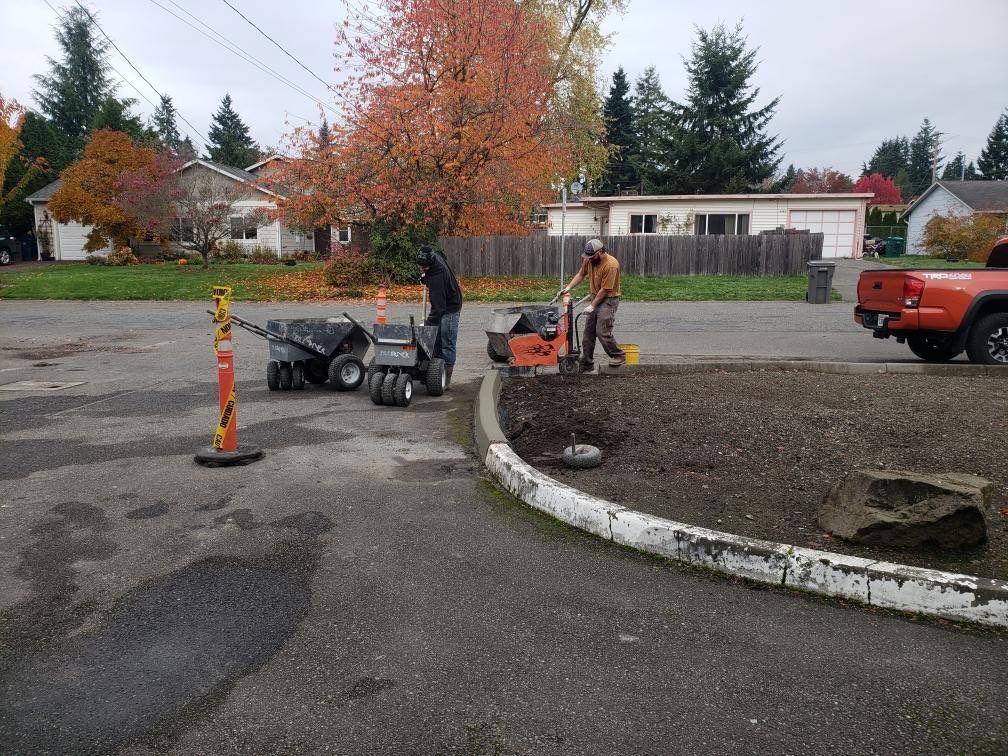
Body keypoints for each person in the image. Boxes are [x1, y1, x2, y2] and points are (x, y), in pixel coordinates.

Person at [560, 238, 625, 370]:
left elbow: (606, 290)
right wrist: (569, 287)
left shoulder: (611, 265)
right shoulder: (589, 260)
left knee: (602, 331)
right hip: (596, 296)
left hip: (608, 299)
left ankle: (619, 355)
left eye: (592, 256)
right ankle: (587, 363)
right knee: (588, 333)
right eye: (588, 256)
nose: (589, 259)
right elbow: (581, 274)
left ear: (601, 251)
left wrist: (593, 306)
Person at [417, 245, 462, 388]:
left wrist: (428, 324)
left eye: (425, 267)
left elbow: (439, 308)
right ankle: (434, 373)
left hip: (450, 307)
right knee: (435, 339)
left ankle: (446, 378)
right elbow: (442, 254)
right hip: (443, 302)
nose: (422, 268)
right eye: (421, 266)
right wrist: (426, 277)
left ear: (431, 263)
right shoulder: (435, 256)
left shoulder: (437, 276)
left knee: (446, 340)